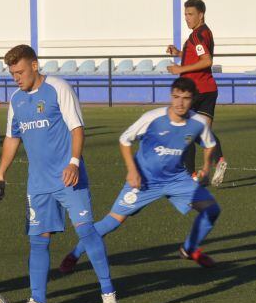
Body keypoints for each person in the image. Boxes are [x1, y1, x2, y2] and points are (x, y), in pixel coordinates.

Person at [0, 44, 118, 303]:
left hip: (67, 177)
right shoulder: (16, 100)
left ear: (35, 66)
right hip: (37, 184)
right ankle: (37, 300)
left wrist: (74, 162)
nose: (17, 78)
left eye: (20, 71)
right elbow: (12, 138)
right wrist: (1, 173)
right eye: (13, 73)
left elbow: (77, 128)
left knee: (86, 232)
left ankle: (107, 292)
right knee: (38, 241)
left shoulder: (58, 88)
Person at [59, 77, 222, 274]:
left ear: (192, 99)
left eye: (186, 98)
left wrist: (205, 168)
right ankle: (74, 254)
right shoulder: (153, 118)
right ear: (171, 96)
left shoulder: (197, 122)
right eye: (176, 96)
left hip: (176, 179)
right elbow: (125, 139)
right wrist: (132, 170)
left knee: (211, 210)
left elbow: (210, 144)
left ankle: (189, 249)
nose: (180, 103)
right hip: (145, 180)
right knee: (112, 221)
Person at [166, 0, 227, 186]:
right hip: (209, 89)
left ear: (201, 15)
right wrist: (178, 53)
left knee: (185, 132)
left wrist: (180, 69)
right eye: (185, 14)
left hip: (196, 91)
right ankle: (219, 161)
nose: (187, 18)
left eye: (190, 14)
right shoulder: (204, 33)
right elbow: (198, 55)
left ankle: (191, 175)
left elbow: (206, 61)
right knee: (204, 131)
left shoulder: (197, 36)